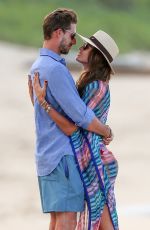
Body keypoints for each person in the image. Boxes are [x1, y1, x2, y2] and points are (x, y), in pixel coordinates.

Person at [28, 8, 113, 230]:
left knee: (57, 221)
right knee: (66, 221)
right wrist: (106, 131)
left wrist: (44, 104)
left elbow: (40, 109)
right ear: (58, 33)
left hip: (46, 156)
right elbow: (81, 119)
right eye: (72, 35)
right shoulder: (55, 70)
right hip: (63, 157)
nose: (74, 41)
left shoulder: (36, 67)